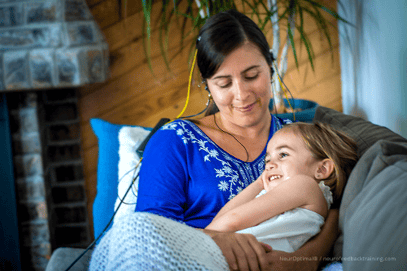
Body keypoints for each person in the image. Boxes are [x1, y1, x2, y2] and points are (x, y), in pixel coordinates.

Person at [91, 9, 348, 271]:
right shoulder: (175, 141)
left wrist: (304, 260)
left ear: (270, 70)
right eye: (224, 83)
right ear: (208, 87)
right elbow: (149, 237)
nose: (242, 94)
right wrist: (215, 240)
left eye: (251, 76)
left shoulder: (296, 138)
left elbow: (336, 206)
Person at [205, 122, 358, 254]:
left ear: (322, 169)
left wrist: (201, 237)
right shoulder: (294, 194)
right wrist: (259, 183)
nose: (269, 165)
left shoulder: (304, 185)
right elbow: (220, 221)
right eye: (268, 159)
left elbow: (232, 220)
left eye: (283, 154)